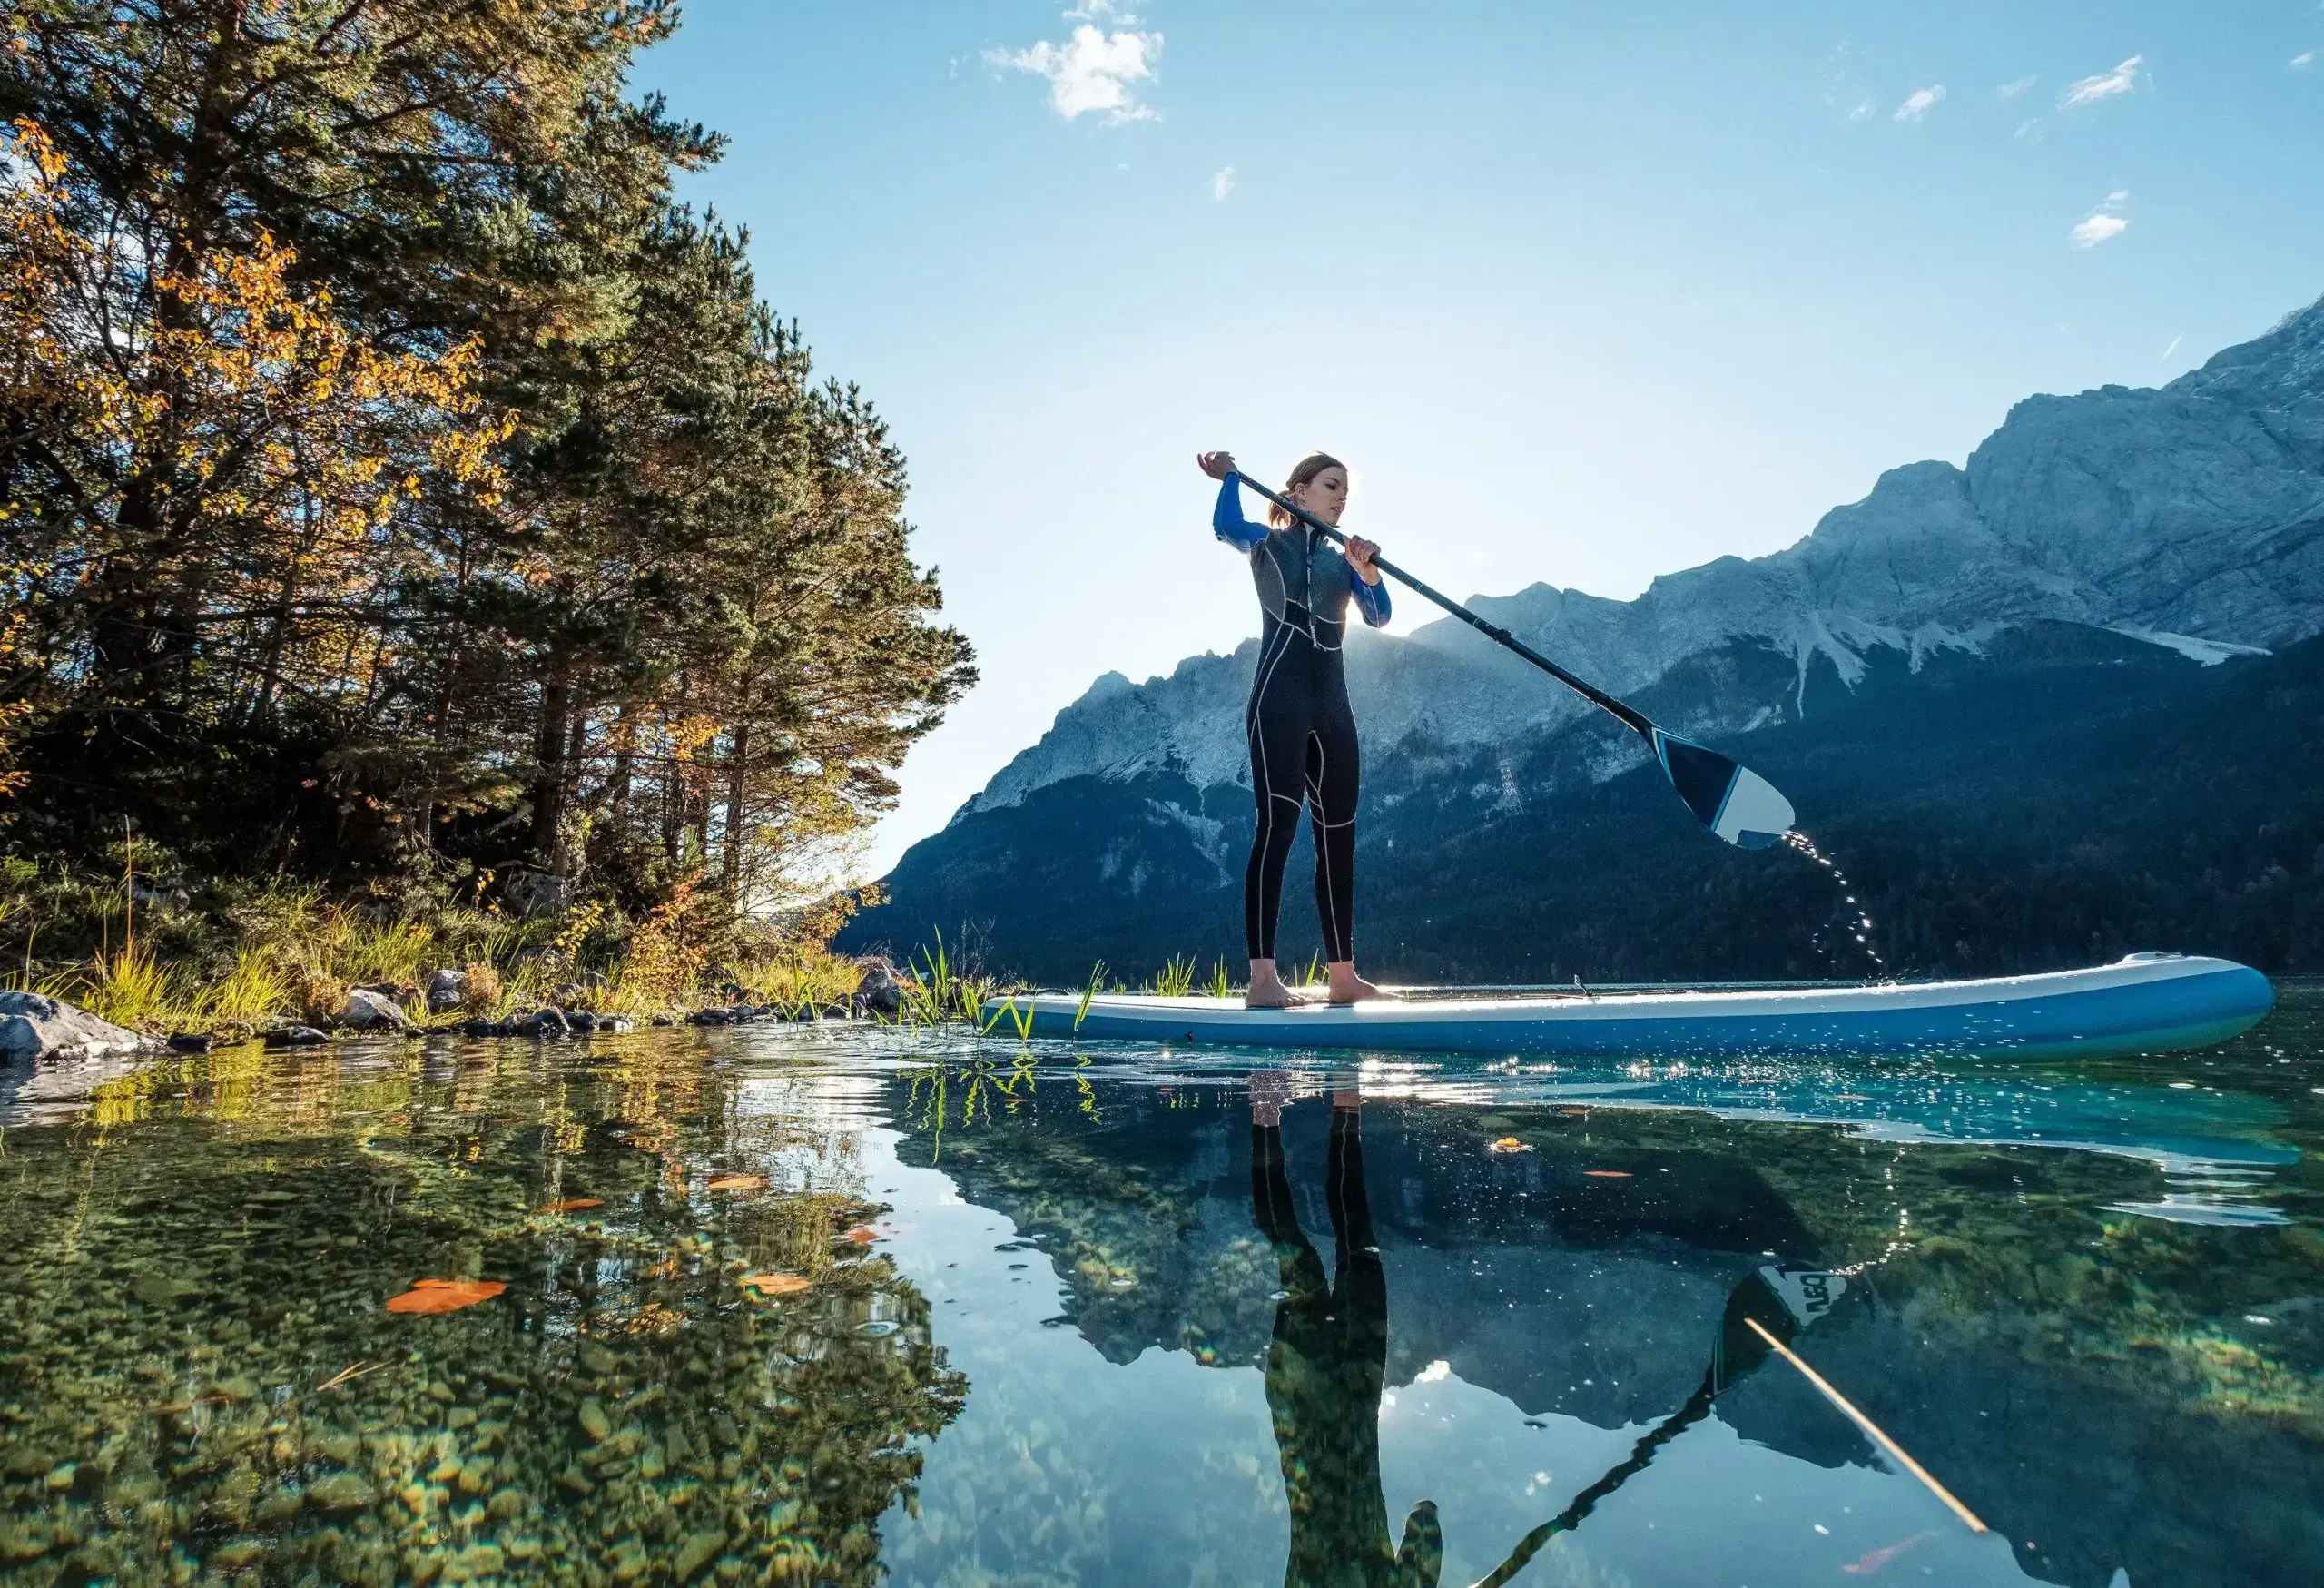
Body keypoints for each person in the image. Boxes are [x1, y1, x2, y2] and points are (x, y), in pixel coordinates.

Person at [1197, 451, 1393, 1009]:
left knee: (1339, 839)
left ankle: (1343, 975)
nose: (1341, 498)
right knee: (1278, 827)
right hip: (1278, 703)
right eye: (1331, 486)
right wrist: (1231, 478)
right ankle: (1262, 979)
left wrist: (1369, 574)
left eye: (1347, 492)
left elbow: (1378, 618)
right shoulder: (1266, 543)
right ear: (1299, 491)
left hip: (1334, 708)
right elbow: (1225, 527)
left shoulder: (1343, 562)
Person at [1248, 1071, 1442, 1588]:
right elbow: (1423, 1519)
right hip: (1323, 1394)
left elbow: (1426, 1523)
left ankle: (1273, 1111)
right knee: (1321, 1250)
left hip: (1320, 1394)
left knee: (1322, 1249)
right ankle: (1328, 1108)